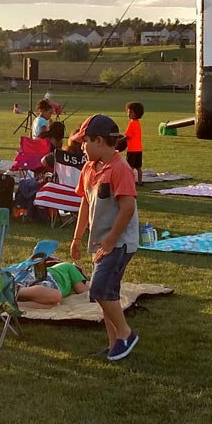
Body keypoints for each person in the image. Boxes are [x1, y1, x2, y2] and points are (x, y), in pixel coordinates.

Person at [69, 114, 140, 361]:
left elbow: (128, 208)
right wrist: (77, 237)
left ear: (100, 141)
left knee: (99, 290)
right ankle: (115, 344)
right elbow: (85, 203)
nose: (82, 147)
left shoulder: (121, 169)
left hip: (119, 243)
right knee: (108, 293)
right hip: (102, 242)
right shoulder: (89, 168)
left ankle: (126, 334)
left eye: (84, 142)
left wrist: (110, 240)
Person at [15, 261, 88, 308]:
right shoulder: (70, 266)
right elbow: (81, 289)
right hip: (44, 277)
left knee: (55, 305)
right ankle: (15, 291)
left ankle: (16, 304)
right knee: (56, 295)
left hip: (37, 285)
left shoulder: (61, 269)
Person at [125, 102, 145, 184]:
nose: (128, 114)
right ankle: (140, 181)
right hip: (139, 149)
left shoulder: (131, 123)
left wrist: (119, 141)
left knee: (130, 168)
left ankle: (130, 182)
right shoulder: (138, 123)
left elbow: (128, 136)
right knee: (139, 168)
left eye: (130, 112)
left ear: (136, 114)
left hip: (132, 149)